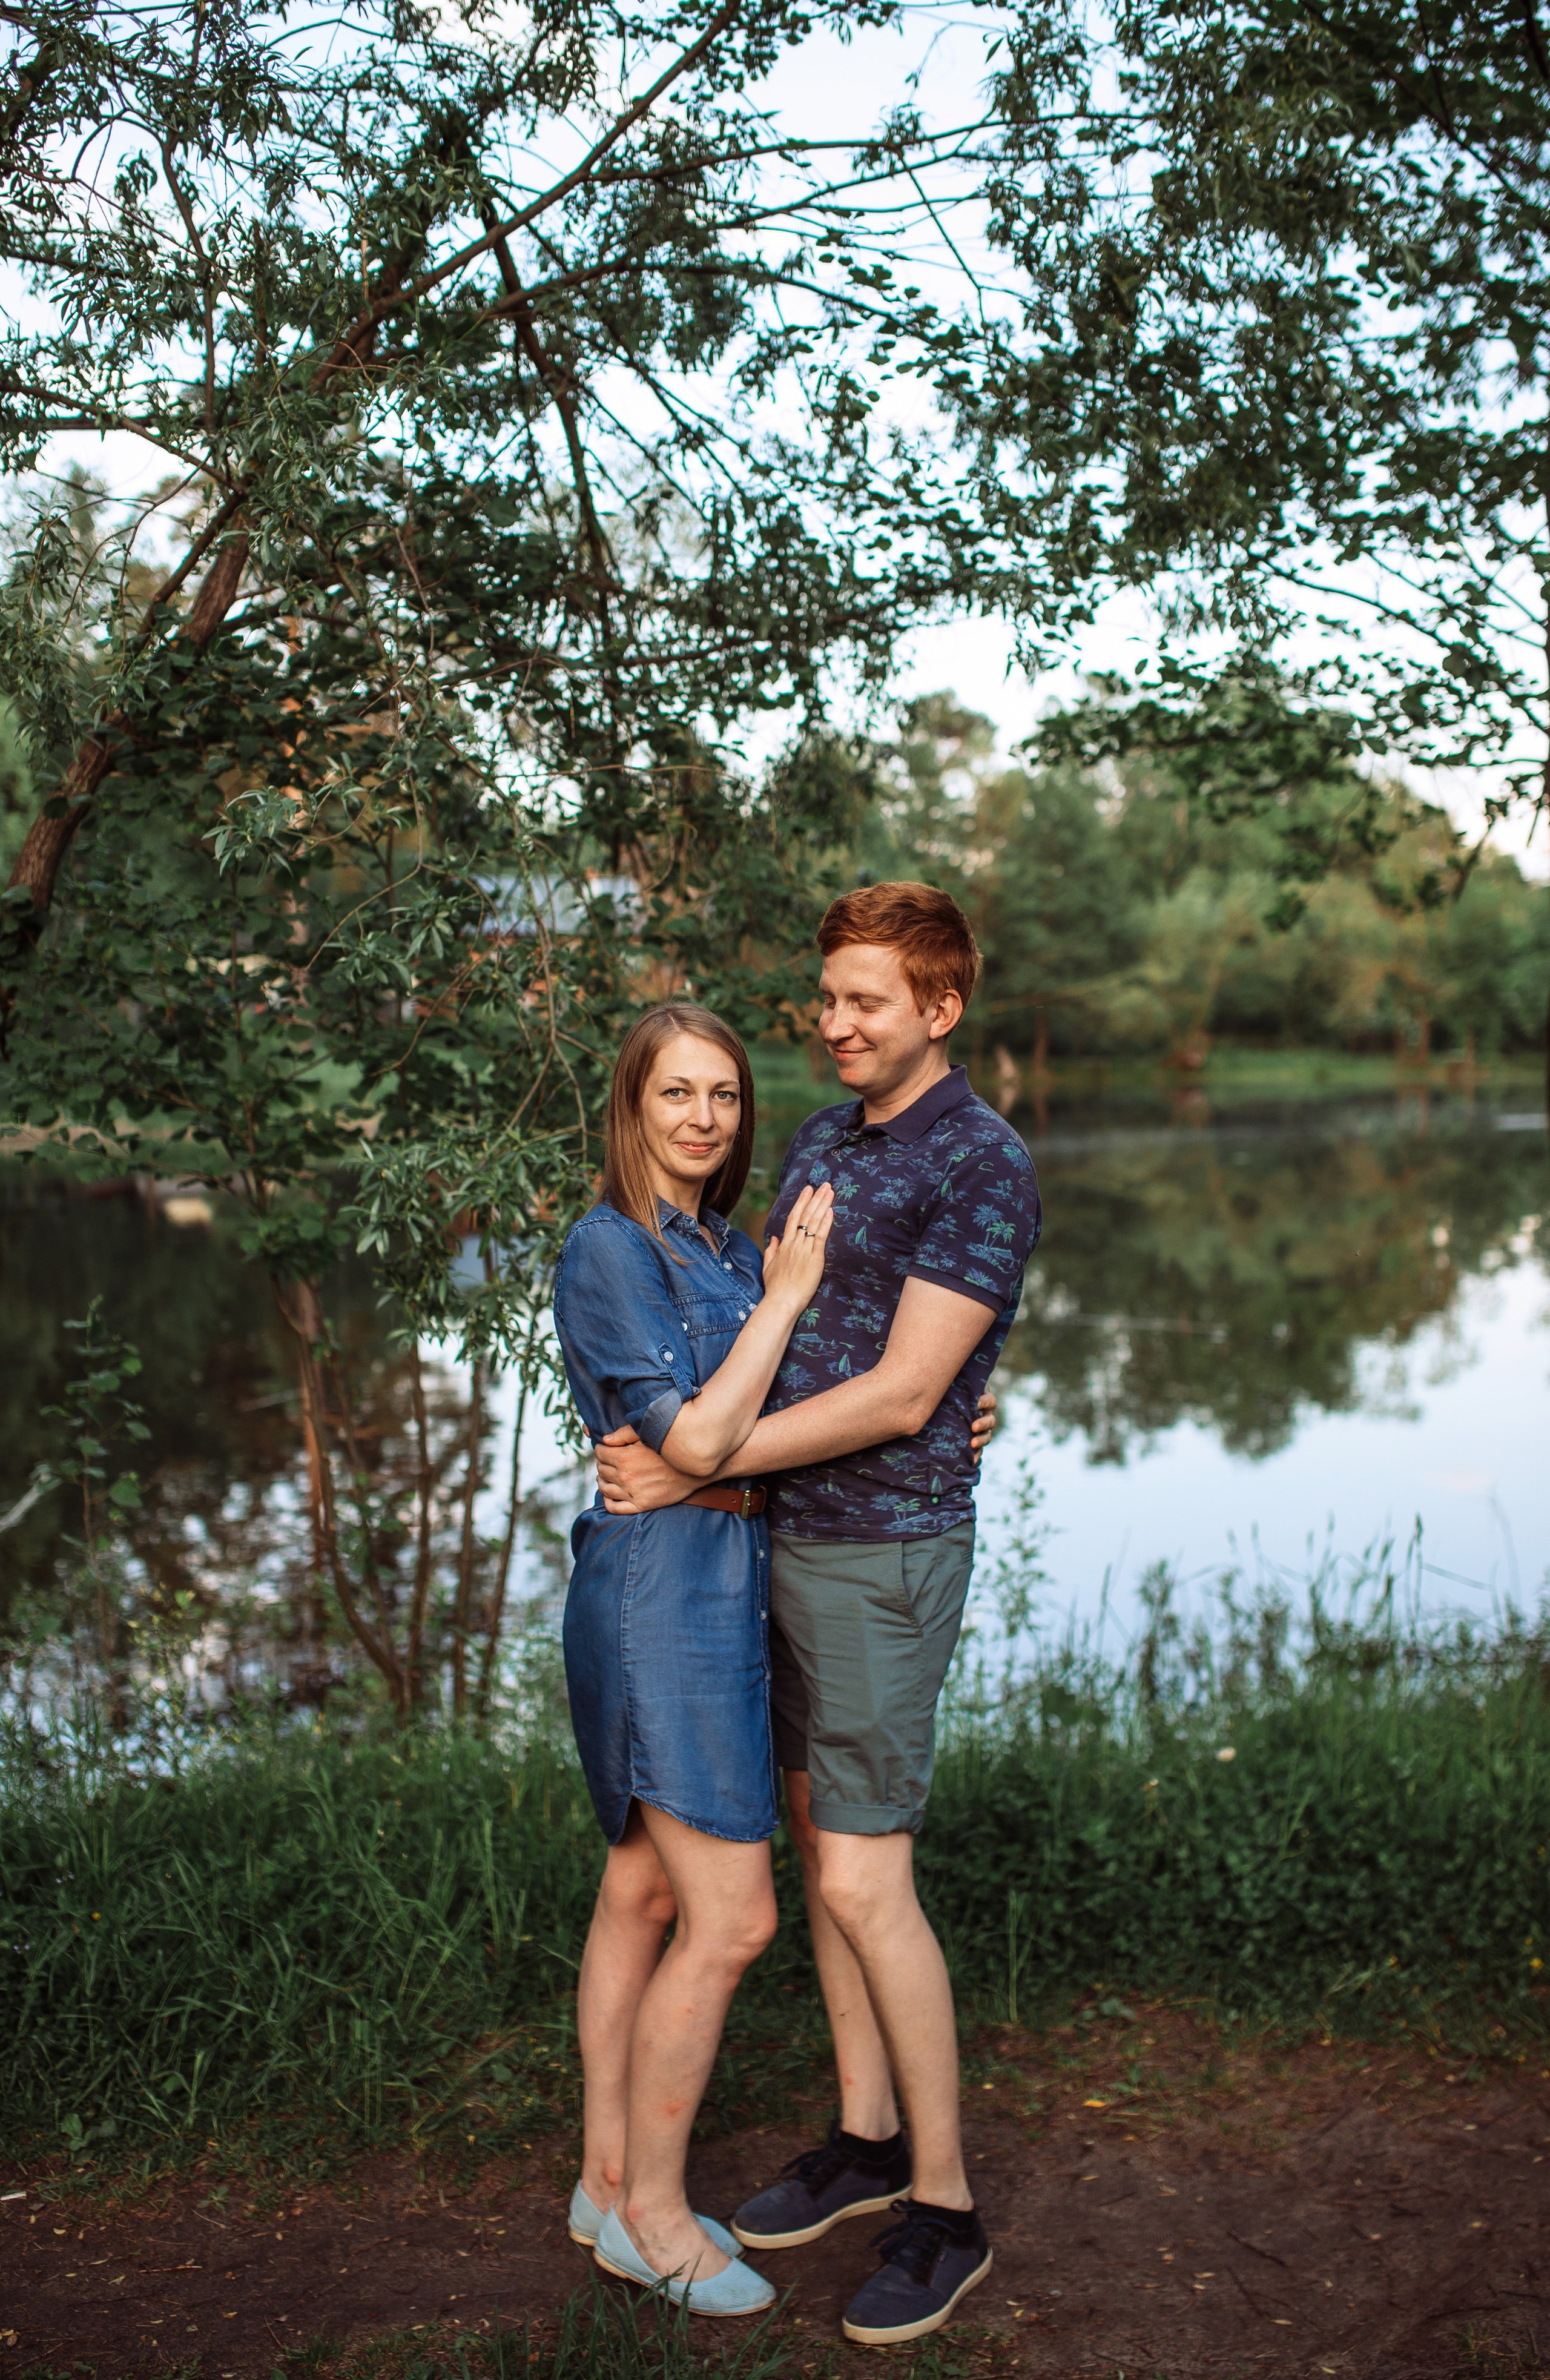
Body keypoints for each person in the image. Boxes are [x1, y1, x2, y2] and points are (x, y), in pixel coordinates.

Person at [595, 882, 1042, 2346]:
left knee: (861, 1880)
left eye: (865, 1002)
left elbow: (905, 1391)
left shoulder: (980, 1161)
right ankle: (862, 2141)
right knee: (814, 1842)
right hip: (776, 1550)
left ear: (939, 1009)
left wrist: (700, 1463)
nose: (833, 1023)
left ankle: (946, 2209)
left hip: (880, 1555)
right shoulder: (820, 1143)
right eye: (829, 996)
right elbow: (780, 1333)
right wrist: (714, 1460)